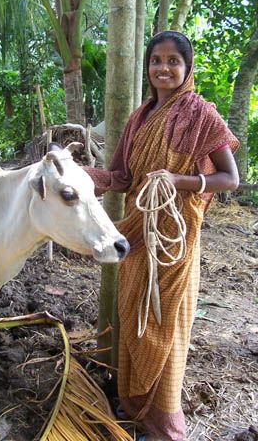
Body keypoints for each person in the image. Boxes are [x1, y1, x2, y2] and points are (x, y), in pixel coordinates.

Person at [85, 30, 239, 441]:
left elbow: (230, 178)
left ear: (187, 68)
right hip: (137, 232)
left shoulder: (203, 115)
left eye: (173, 61)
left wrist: (177, 180)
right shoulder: (139, 116)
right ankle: (133, 405)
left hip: (175, 239)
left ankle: (164, 424)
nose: (164, 68)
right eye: (156, 60)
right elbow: (120, 178)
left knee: (165, 322)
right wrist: (81, 177)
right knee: (134, 314)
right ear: (147, 67)